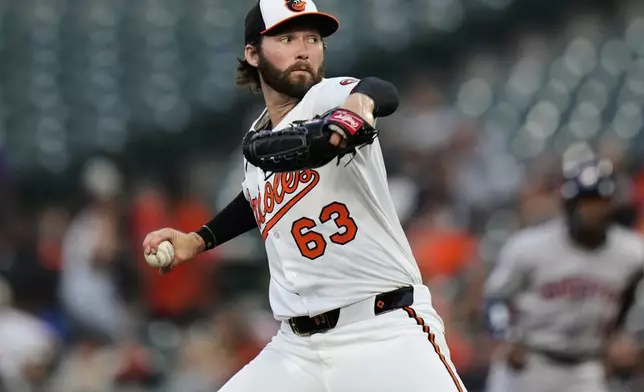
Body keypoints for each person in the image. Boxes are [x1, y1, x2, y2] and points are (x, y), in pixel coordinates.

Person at [143, 0, 466, 391]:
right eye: (287, 37)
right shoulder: (259, 138)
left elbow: (379, 91)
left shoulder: (329, 98)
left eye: (313, 38)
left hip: (383, 329)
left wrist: (357, 109)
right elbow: (257, 199)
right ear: (252, 53)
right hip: (297, 348)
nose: (303, 49)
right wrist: (197, 240)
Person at [484, 158, 644, 392]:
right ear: (568, 204)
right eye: (584, 202)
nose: (591, 211)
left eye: (598, 202)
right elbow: (495, 298)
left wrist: (629, 336)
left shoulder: (632, 254)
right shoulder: (529, 247)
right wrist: (507, 336)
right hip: (530, 362)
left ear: (612, 205)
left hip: (587, 367)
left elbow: (635, 301)